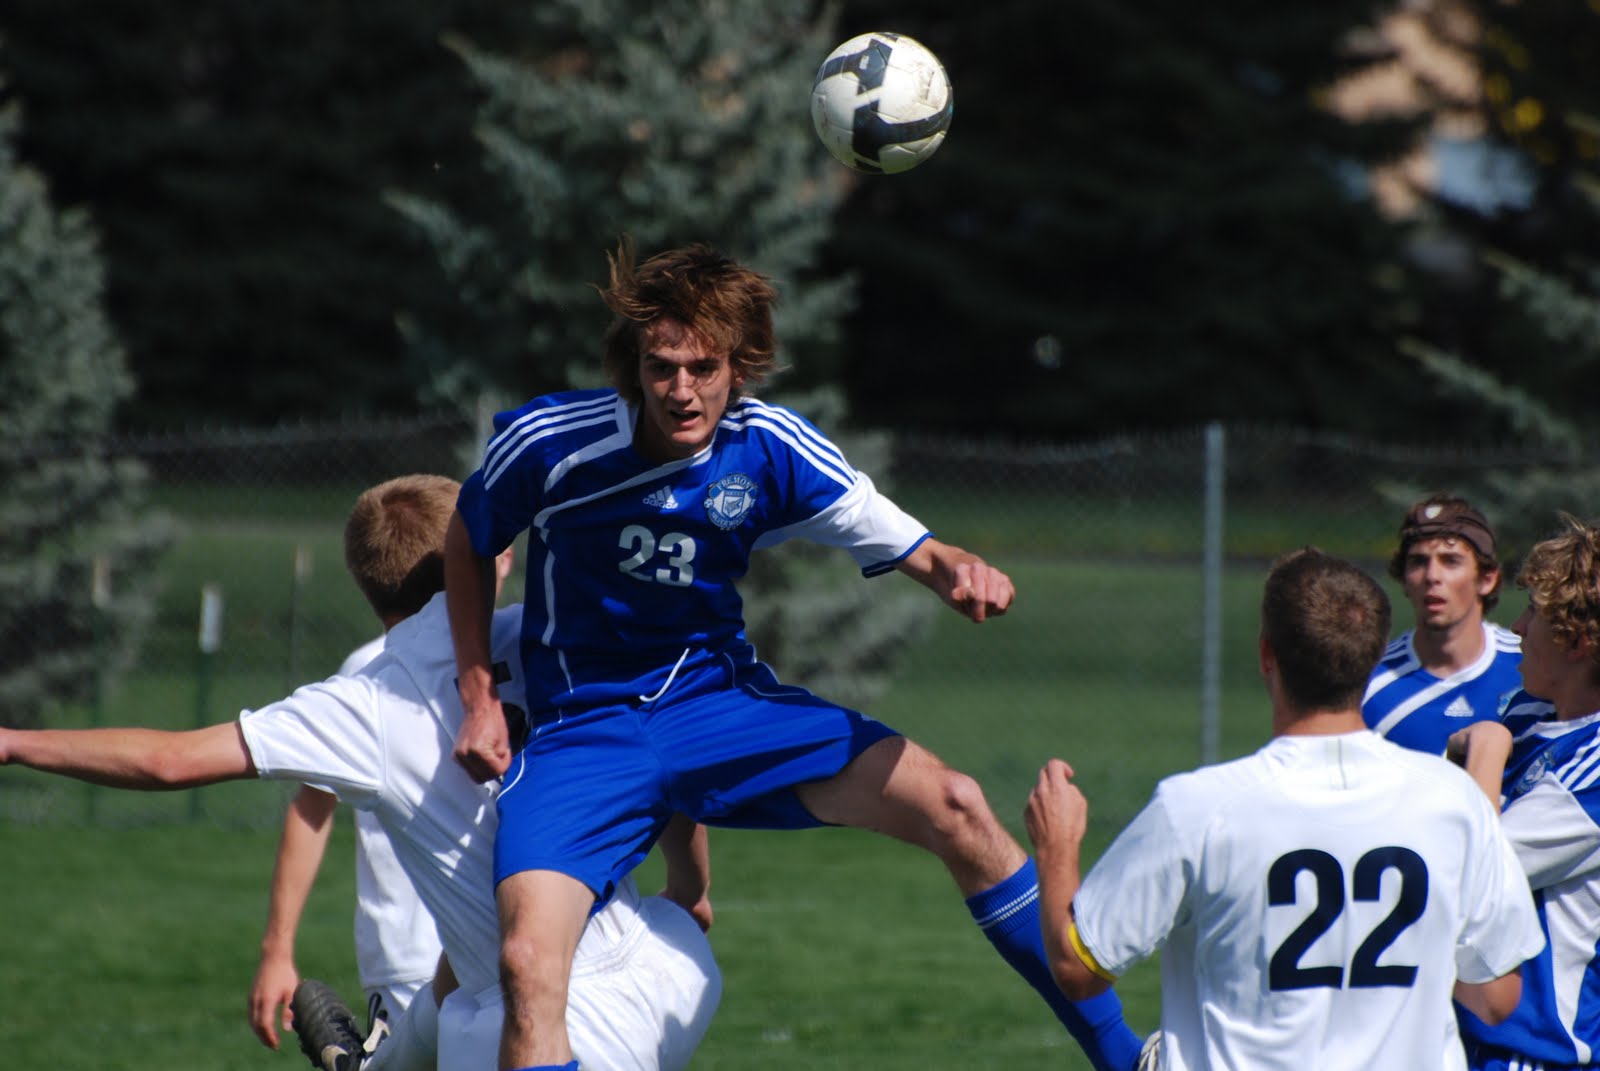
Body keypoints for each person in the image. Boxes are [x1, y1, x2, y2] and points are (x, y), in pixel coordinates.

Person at [443, 241, 1144, 1071]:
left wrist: (955, 569)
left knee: (957, 803)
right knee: (527, 963)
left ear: (740, 366)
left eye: (702, 367)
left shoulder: (770, 446)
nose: (679, 389)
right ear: (633, 361)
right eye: (660, 365)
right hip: (584, 730)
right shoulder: (551, 441)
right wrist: (479, 693)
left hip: (714, 706)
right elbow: (468, 538)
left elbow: (912, 544)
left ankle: (1132, 1060)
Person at [0, 474, 721, 1071]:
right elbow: (660, 743)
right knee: (460, 987)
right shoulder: (551, 633)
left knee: (476, 995)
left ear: (367, 586)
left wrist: (13, 741)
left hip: (550, 1020)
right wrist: (689, 889)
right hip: (662, 961)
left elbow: (168, 759)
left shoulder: (367, 700)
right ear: (480, 556)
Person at [1025, 546, 1543, 1071]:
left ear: (1267, 657)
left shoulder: (1199, 808)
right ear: (1372, 659)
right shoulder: (1454, 802)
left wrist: (1057, 847)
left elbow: (1079, 968)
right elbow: (1496, 996)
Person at [249, 626, 452, 1049]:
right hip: (410, 955)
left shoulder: (524, 650)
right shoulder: (370, 667)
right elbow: (312, 808)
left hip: (516, 949)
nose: (500, 560)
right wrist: (277, 948)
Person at [1447, 514, 1600, 1071]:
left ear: (1578, 642)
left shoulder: (1593, 776)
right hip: (1468, 1044)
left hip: (1535, 1057)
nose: (1515, 627)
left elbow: (1473, 869)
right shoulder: (1533, 717)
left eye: (1534, 614)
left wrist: (1484, 750)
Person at [1363, 494, 1522, 754]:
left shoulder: (1529, 668)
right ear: (1404, 579)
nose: (1432, 576)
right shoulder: (1371, 684)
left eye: (1450, 561)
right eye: (1418, 562)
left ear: (1487, 579)